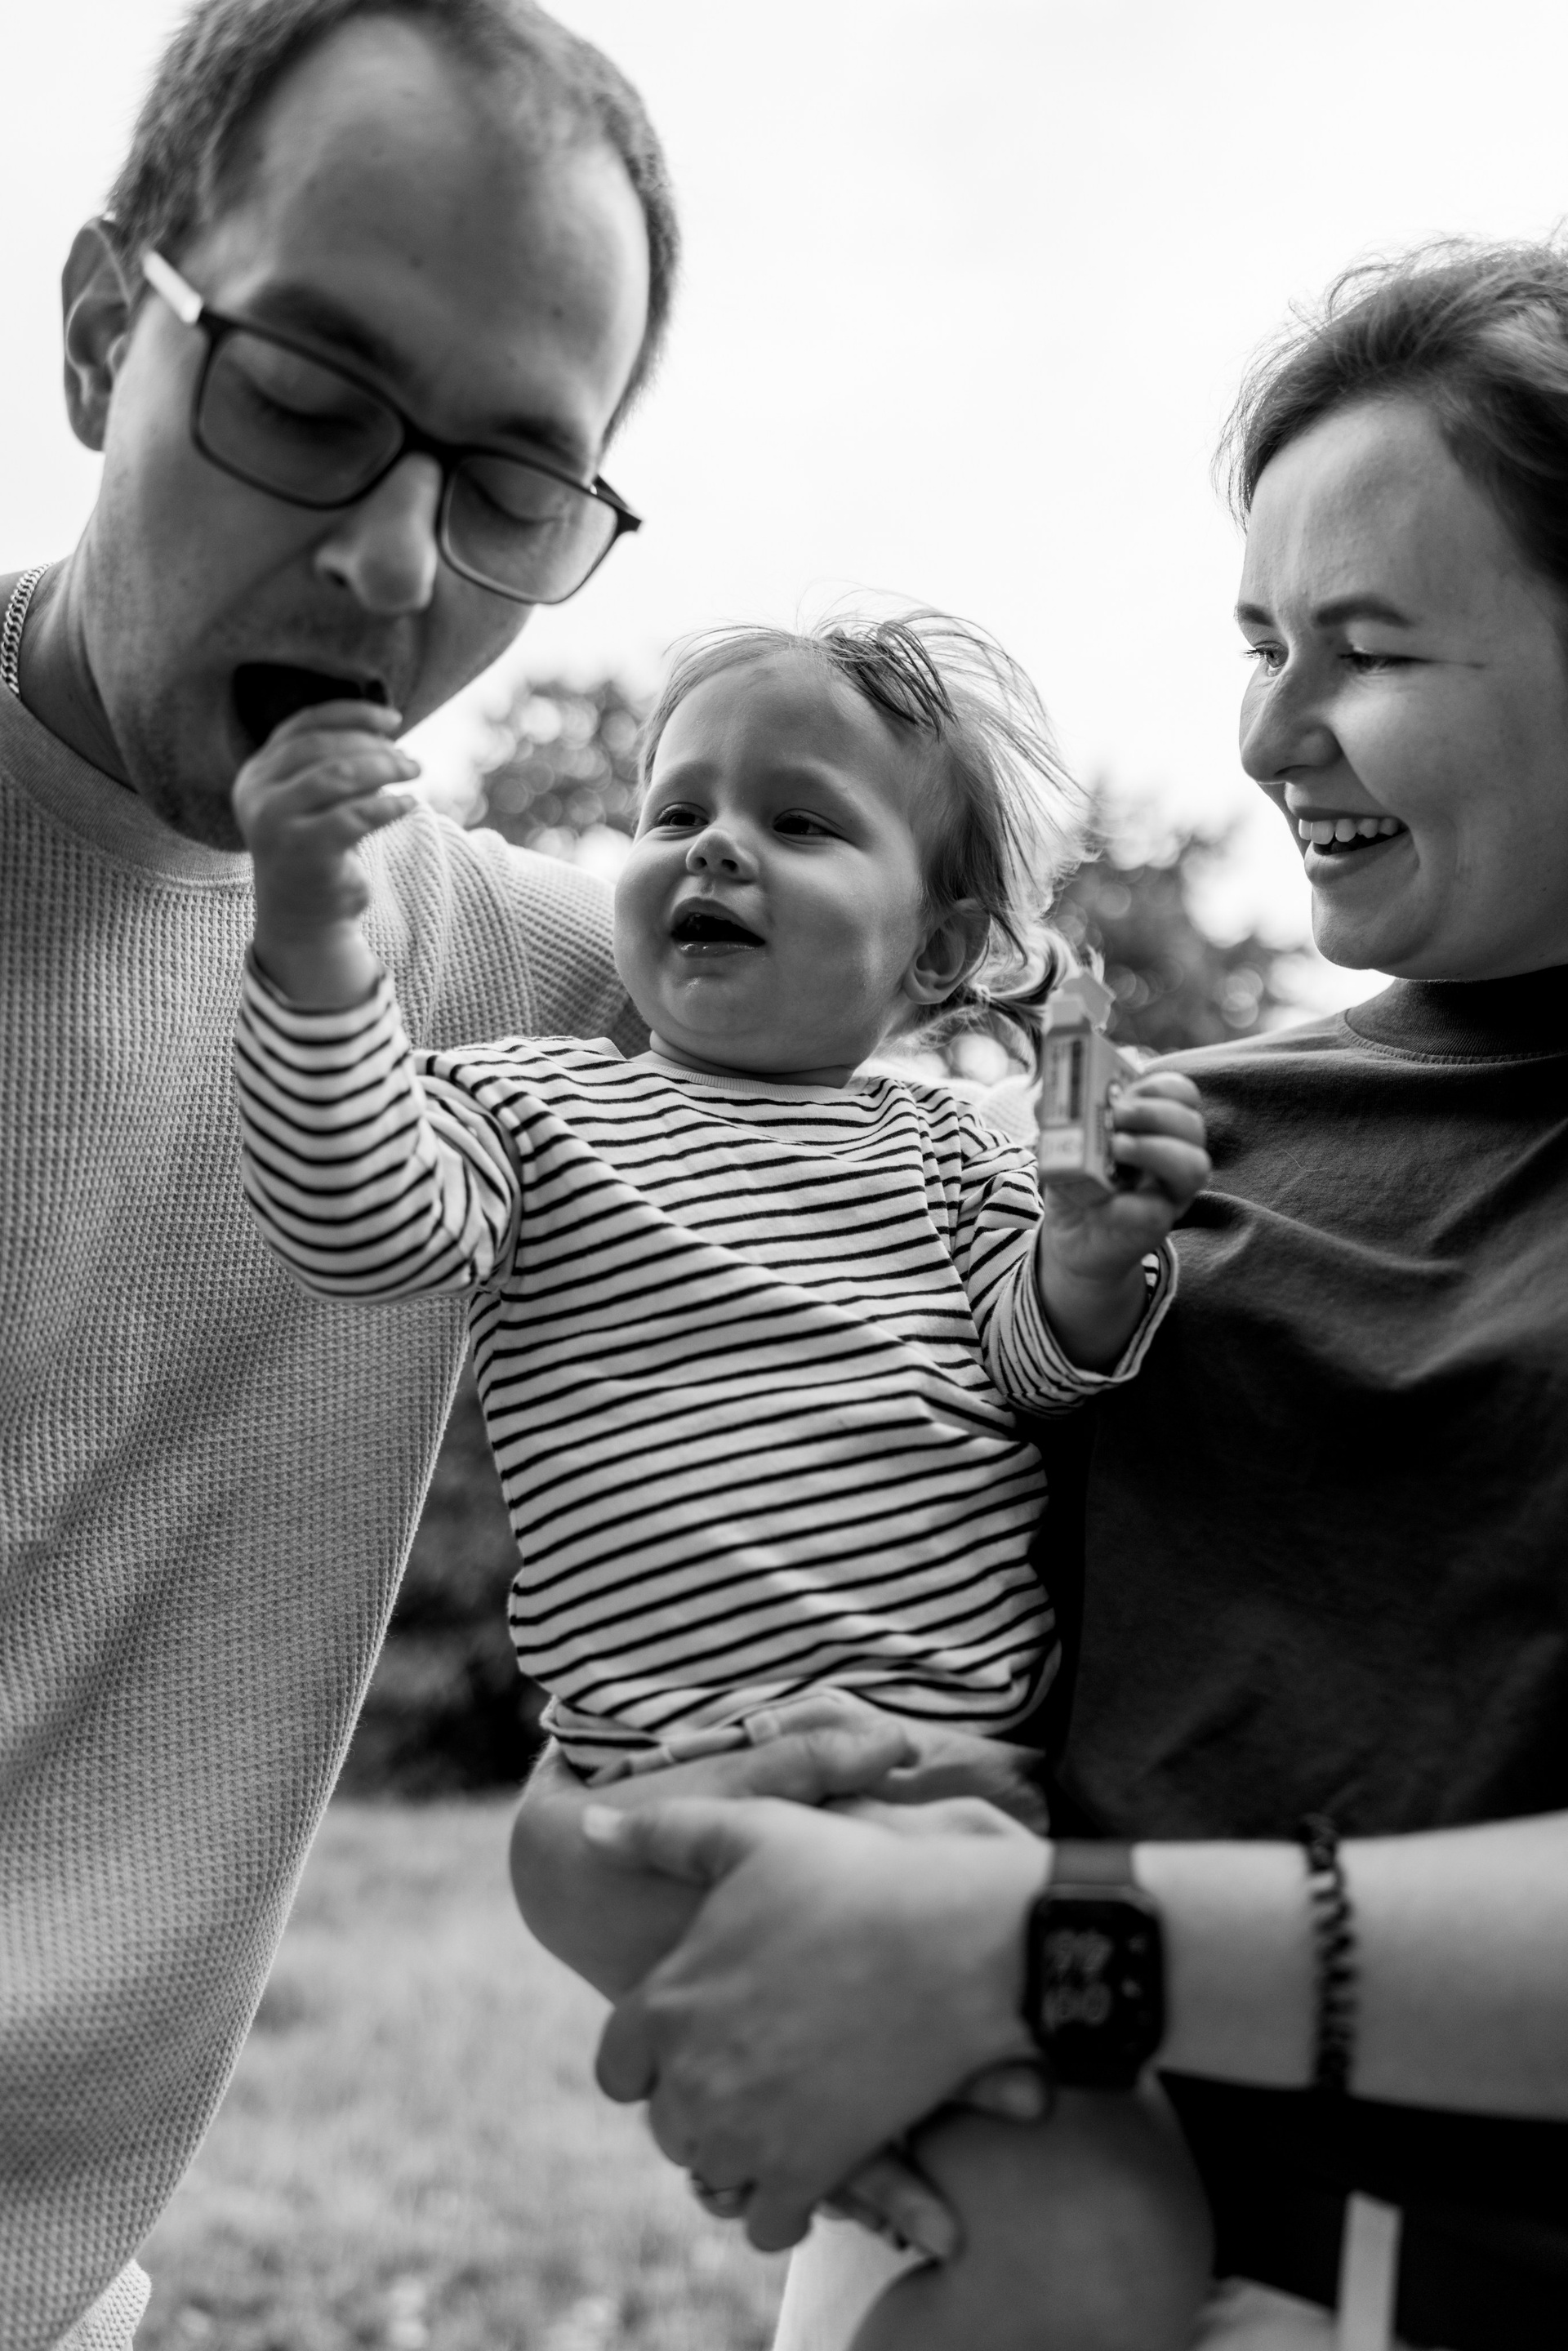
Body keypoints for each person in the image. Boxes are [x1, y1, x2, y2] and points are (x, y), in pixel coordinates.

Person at [546, 239, 1568, 2351]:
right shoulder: (1152, 1160)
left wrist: (1040, 1948)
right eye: (1260, 641)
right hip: (992, 2247)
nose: (1268, 730)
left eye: (1367, 649)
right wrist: (641, 1818)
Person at [227, 608, 1215, 2349]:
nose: (715, 847)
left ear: (939, 950)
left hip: (946, 1787)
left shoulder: (949, 1149)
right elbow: (352, 1212)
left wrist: (1090, 1248)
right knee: (1085, 2228)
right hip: (660, 1795)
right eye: (676, 810)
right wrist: (314, 937)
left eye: (801, 820)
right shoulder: (534, 1113)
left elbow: (1037, 1363)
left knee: (1063, 2224)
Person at [0, 4, 687, 2345]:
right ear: (104, 335)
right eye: (307, 395)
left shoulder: (509, 985)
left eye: (511, 487)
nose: (395, 564)